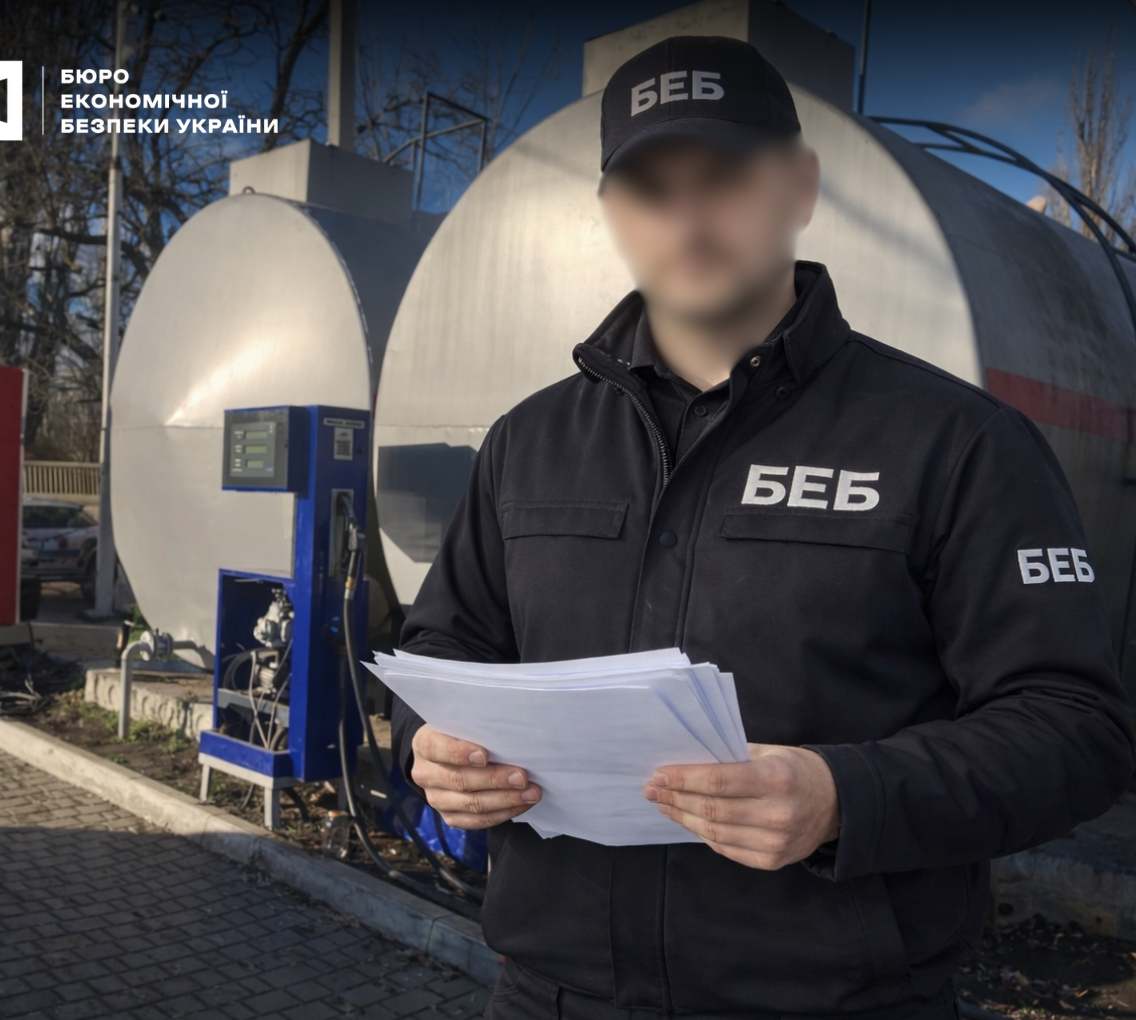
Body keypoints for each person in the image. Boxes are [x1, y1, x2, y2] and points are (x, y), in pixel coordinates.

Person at [390, 34, 1135, 1020]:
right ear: (613, 212)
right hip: (551, 993)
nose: (687, 216)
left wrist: (846, 796)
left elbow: (1072, 728)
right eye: (651, 187)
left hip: (837, 999)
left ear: (798, 187)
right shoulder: (528, 443)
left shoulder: (951, 441)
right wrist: (431, 747)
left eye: (725, 175)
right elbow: (445, 645)